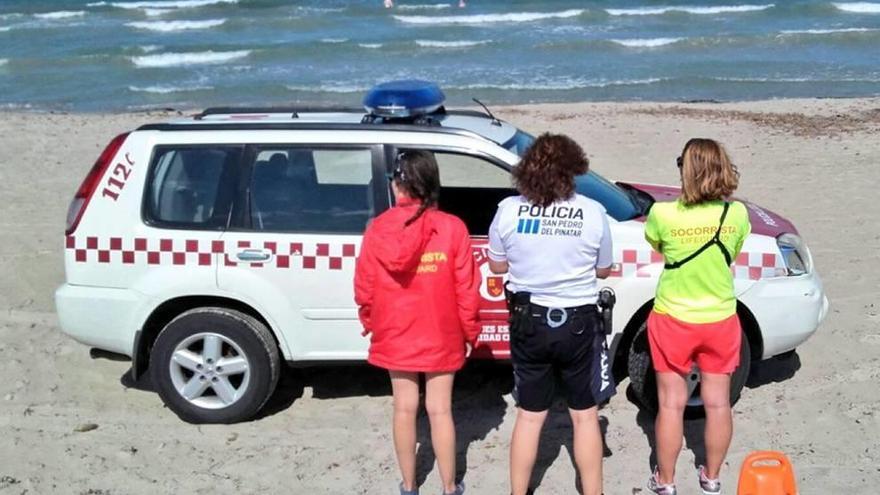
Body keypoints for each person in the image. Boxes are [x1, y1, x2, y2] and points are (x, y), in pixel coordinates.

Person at [487, 133, 614, 495]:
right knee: (585, 415)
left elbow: (497, 264)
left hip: (529, 320)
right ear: (572, 171)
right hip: (577, 321)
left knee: (529, 415)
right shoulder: (592, 212)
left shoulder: (509, 210)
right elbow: (603, 269)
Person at [355, 150, 482, 495]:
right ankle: (449, 486)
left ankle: (409, 485)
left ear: (399, 187)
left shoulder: (377, 229)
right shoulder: (452, 228)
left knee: (404, 407)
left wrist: (371, 322)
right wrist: (471, 331)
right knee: (440, 410)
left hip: (396, 331)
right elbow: (467, 289)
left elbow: (364, 288)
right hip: (441, 331)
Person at [644, 138, 751, 495]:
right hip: (719, 317)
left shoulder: (663, 213)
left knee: (671, 405)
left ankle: (666, 480)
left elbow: (658, 245)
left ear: (686, 171)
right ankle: (712, 476)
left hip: (674, 316)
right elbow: (732, 253)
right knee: (718, 402)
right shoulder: (735, 214)